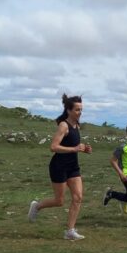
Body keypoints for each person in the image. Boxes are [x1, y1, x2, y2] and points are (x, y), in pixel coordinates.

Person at [28, 93, 92, 240]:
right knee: (59, 201)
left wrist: (84, 149)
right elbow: (53, 147)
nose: (80, 112)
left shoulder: (77, 125)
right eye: (77, 109)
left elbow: (73, 145)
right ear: (69, 110)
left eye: (81, 109)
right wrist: (75, 148)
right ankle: (37, 206)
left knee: (78, 197)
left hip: (73, 167)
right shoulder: (64, 125)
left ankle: (70, 231)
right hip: (59, 166)